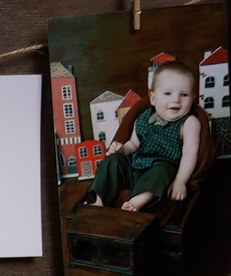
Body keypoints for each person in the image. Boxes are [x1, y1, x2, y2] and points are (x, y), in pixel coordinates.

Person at [81, 58, 204, 214]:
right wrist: (122, 150)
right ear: (153, 98)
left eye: (184, 95)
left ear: (193, 99)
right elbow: (133, 144)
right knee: (112, 161)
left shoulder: (189, 122)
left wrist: (180, 181)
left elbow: (190, 152)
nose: (176, 100)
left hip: (159, 172)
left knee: (163, 170)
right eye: (167, 93)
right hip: (135, 167)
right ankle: (98, 200)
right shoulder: (143, 117)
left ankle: (135, 202)